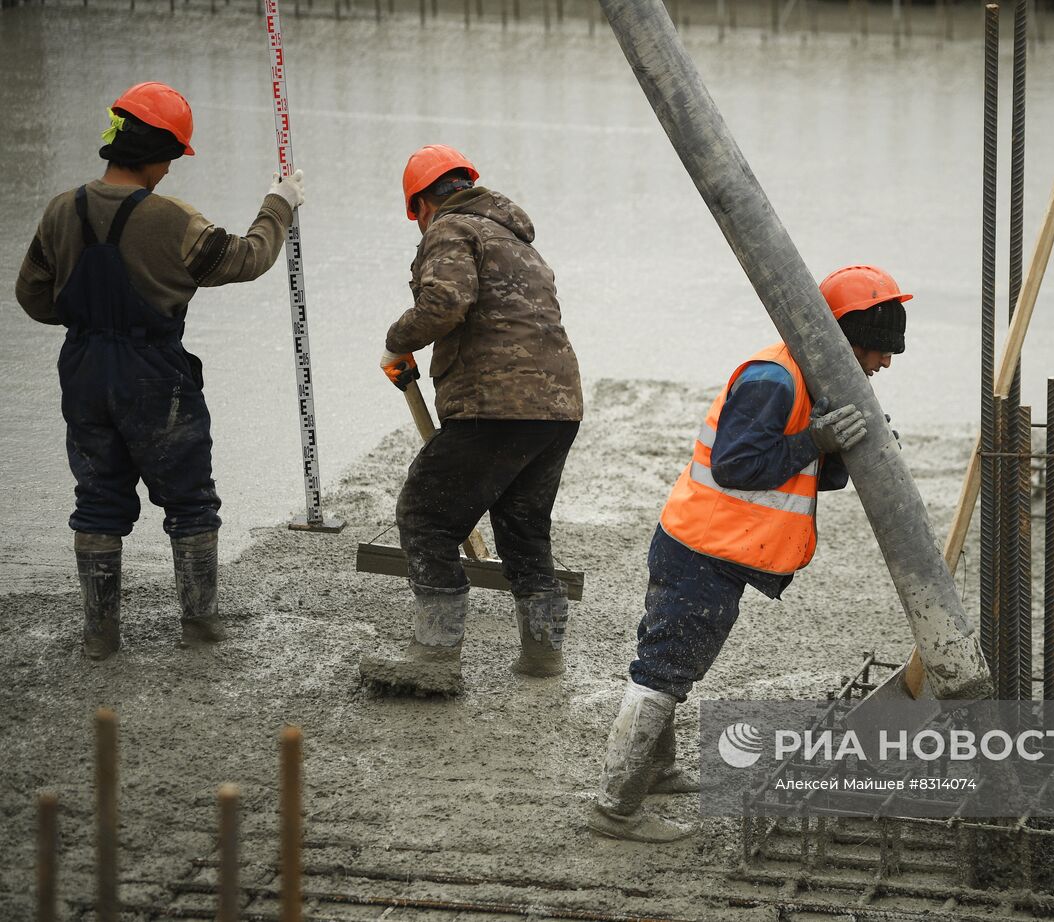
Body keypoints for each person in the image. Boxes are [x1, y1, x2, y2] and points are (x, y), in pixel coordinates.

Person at [587, 265, 913, 843]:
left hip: (710, 548)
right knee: (664, 671)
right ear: (842, 337)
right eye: (877, 349)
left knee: (667, 657)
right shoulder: (775, 380)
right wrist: (817, 439)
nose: (884, 363)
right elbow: (736, 466)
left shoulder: (810, 381)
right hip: (702, 553)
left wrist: (843, 448)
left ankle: (656, 772)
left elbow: (804, 475)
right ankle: (616, 809)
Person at [14, 81, 305, 659]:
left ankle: (100, 636)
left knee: (97, 497)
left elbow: (33, 298)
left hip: (84, 369)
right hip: (154, 371)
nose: (171, 170)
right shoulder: (172, 220)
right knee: (190, 498)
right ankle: (199, 627)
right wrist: (281, 204)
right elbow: (248, 259)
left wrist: (92, 324)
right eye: (172, 158)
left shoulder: (60, 210)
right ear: (159, 154)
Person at [360, 144, 584, 696]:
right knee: (524, 528)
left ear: (421, 206)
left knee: (425, 514)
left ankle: (435, 656)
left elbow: (444, 303)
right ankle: (543, 656)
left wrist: (396, 343)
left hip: (495, 404)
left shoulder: (451, 229)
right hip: (556, 409)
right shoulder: (516, 241)